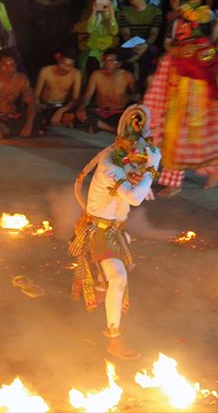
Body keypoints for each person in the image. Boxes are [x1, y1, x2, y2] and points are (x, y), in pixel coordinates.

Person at [68, 105, 160, 360]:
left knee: (110, 279)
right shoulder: (110, 163)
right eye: (135, 151)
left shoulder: (125, 157)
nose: (139, 156)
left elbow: (135, 182)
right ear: (123, 144)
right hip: (98, 232)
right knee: (118, 279)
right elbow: (134, 199)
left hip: (114, 231)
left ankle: (98, 284)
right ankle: (114, 339)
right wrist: (153, 168)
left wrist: (143, 175)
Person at [144, 0, 218, 196]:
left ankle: (176, 183)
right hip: (176, 102)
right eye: (179, 23)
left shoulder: (202, 48)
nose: (180, 26)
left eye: (184, 23)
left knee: (186, 143)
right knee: (178, 142)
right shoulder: (176, 51)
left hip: (193, 106)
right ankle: (211, 172)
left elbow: (208, 73)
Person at [0, 49, 38, 140]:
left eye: (11, 65)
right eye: (4, 65)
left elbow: (31, 102)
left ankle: (10, 131)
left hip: (13, 117)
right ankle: (3, 131)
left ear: (16, 65)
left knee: (36, 119)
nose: (8, 69)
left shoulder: (21, 79)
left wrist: (29, 124)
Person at [76, 51, 136, 134]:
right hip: (100, 111)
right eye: (106, 60)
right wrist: (81, 108)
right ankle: (110, 129)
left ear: (118, 64)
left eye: (112, 61)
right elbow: (87, 96)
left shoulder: (126, 76)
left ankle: (100, 126)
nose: (108, 63)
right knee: (80, 115)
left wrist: (127, 98)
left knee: (130, 121)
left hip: (118, 112)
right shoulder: (96, 75)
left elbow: (137, 95)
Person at [118, 0, 163, 85]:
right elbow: (125, 33)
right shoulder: (125, 13)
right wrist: (134, 46)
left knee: (147, 58)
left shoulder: (155, 12)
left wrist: (145, 45)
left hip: (148, 45)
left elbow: (154, 33)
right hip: (131, 44)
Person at [34, 50, 82, 127]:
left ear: (73, 66)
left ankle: (57, 122)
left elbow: (75, 99)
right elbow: (36, 95)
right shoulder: (45, 71)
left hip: (63, 107)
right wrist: (38, 106)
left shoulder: (76, 74)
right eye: (63, 63)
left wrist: (61, 111)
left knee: (80, 116)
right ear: (58, 60)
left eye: (69, 65)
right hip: (46, 106)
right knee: (35, 117)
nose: (65, 68)